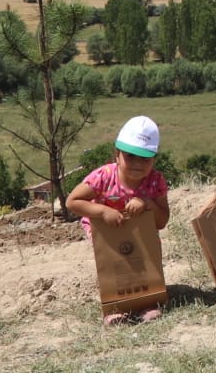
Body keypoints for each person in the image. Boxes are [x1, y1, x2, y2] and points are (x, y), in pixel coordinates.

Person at [67, 115, 172, 325]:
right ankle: (114, 306)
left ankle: (148, 302)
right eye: (130, 156)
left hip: (140, 232)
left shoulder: (155, 181)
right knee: (113, 262)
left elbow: (162, 221)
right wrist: (103, 211)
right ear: (117, 155)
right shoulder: (103, 176)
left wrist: (147, 203)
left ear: (154, 159)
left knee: (144, 257)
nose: (137, 164)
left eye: (144, 158)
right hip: (105, 231)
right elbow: (72, 202)